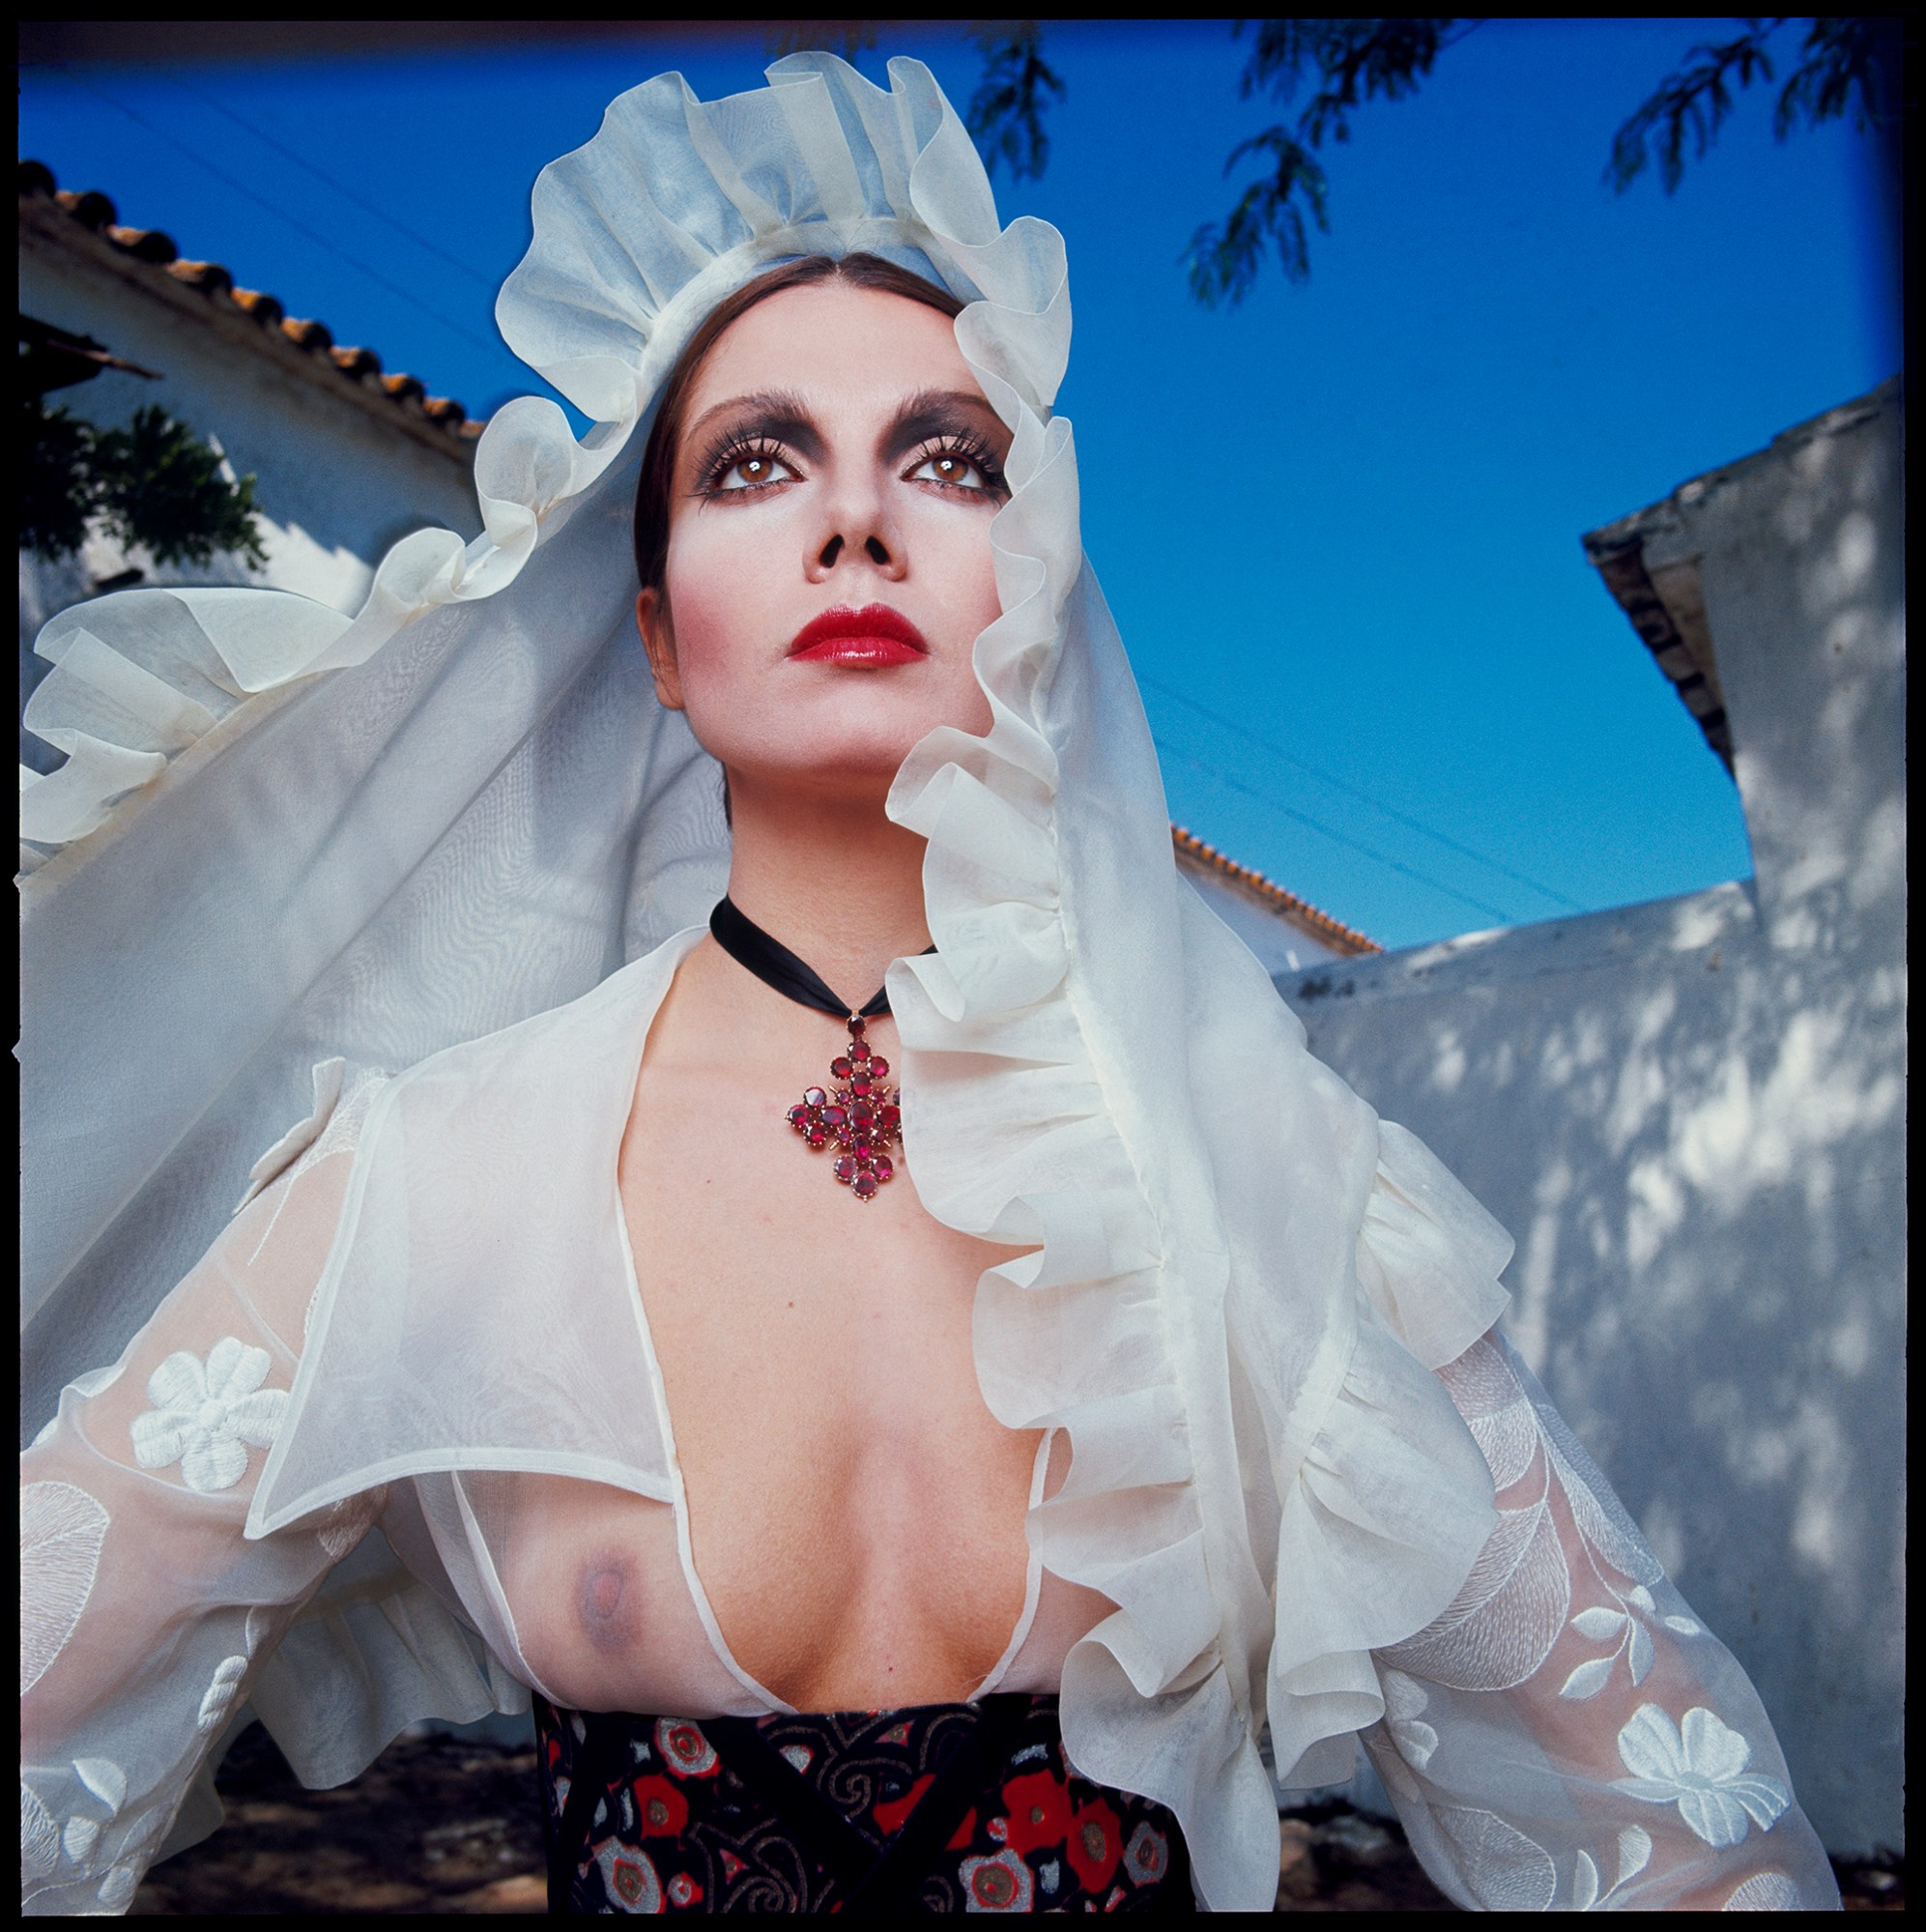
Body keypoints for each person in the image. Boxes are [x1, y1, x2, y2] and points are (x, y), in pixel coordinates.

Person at [20, 53, 1839, 1914]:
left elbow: (1674, 1833)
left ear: (1030, 577)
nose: (857, 520)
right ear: (653, 633)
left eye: (947, 459)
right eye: (755, 461)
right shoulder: (425, 1182)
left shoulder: (1264, 1177)